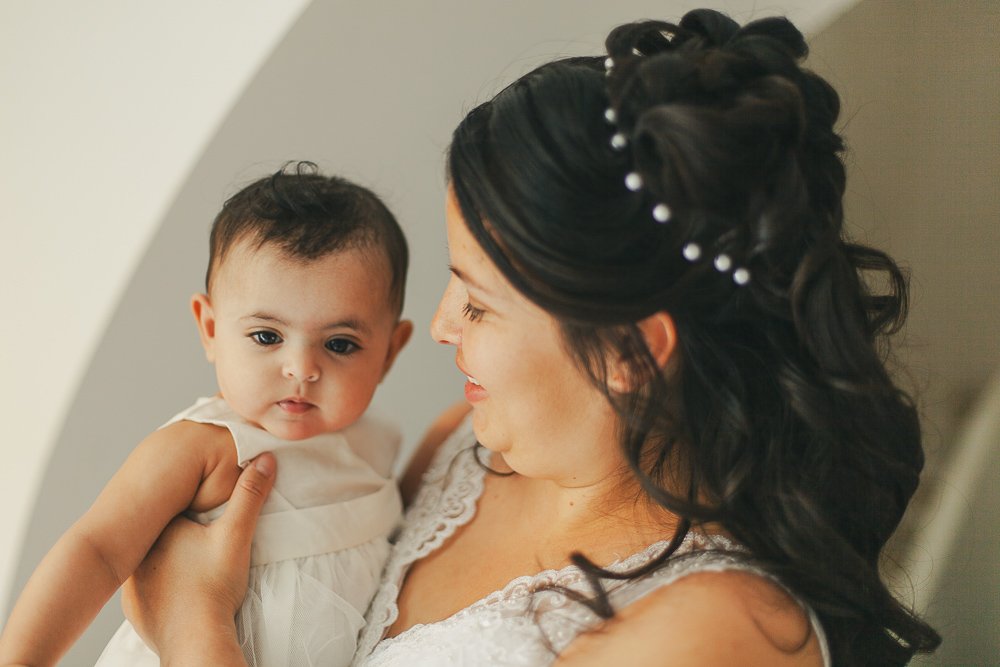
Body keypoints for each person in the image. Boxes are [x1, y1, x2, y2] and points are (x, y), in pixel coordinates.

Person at [102, 9, 943, 667]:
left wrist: (193, 626)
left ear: (631, 353)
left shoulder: (715, 631)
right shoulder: (459, 454)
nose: (435, 327)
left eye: (476, 301)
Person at [0, 162, 413, 667]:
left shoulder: (379, 446)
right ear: (210, 328)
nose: (302, 368)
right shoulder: (206, 447)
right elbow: (98, 550)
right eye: (267, 336)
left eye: (340, 344)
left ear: (390, 352)